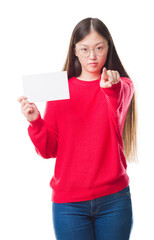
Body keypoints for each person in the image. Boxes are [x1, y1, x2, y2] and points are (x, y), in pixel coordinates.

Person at [18, 17, 137, 240]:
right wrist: (35, 121)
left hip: (114, 200)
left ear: (108, 48)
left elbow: (118, 106)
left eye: (99, 48)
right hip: (69, 205)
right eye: (84, 49)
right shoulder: (59, 89)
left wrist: (111, 88)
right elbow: (49, 150)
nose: (92, 56)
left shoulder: (122, 85)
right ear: (75, 51)